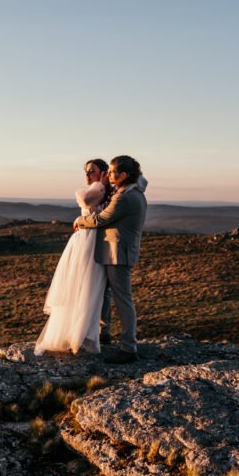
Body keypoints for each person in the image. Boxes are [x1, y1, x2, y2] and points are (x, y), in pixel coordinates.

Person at [73, 155, 147, 364]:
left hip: (118, 254)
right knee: (106, 294)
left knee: (123, 299)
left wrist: (80, 220)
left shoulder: (124, 197)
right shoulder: (135, 191)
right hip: (116, 251)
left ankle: (128, 347)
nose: (109, 176)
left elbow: (101, 219)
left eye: (114, 172)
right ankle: (105, 333)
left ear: (125, 175)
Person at [33, 160, 111, 355]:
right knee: (75, 286)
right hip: (83, 242)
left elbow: (84, 200)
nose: (87, 175)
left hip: (94, 243)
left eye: (92, 171)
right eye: (85, 171)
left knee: (91, 288)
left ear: (103, 173)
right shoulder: (99, 190)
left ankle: (88, 334)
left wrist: (100, 184)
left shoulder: (102, 190)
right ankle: (74, 333)